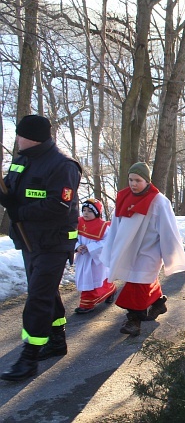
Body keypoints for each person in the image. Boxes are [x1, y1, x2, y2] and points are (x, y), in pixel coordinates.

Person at [0, 114, 82, 381]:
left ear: (31, 137)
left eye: (19, 135)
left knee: (38, 296)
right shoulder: (22, 159)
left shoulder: (62, 166)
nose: (16, 139)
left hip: (53, 241)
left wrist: (19, 209)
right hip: (28, 239)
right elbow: (13, 189)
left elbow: (58, 206)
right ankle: (57, 338)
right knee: (45, 290)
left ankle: (30, 356)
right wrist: (6, 197)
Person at [102, 162, 185, 337]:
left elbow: (168, 229)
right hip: (128, 249)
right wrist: (112, 246)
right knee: (141, 281)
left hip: (149, 251)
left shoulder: (159, 201)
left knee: (138, 284)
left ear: (147, 181)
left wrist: (170, 253)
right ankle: (158, 302)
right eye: (130, 180)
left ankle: (133, 320)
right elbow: (116, 225)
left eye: (138, 180)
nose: (133, 184)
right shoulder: (123, 196)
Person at [74, 198, 117, 314]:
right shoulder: (77, 222)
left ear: (97, 213)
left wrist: (91, 247)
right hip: (82, 257)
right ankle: (110, 289)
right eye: (84, 210)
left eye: (89, 211)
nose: (86, 213)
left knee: (93, 278)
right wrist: (77, 246)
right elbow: (72, 238)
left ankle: (87, 303)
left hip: (95, 259)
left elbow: (108, 242)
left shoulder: (103, 226)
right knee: (86, 278)